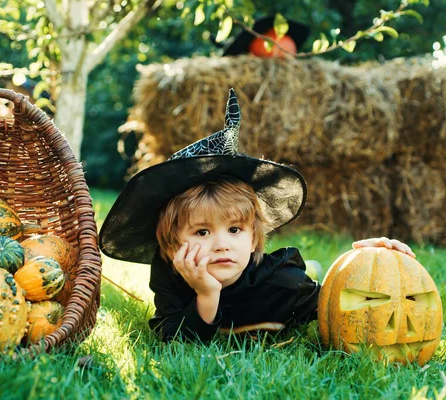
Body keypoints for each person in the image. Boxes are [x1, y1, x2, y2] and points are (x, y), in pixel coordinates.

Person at [99, 89, 415, 342]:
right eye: (202, 233)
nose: (222, 244)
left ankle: (315, 267)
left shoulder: (282, 285)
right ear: (171, 247)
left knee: (312, 279)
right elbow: (173, 337)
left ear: (253, 238)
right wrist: (207, 293)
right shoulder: (172, 274)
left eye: (234, 229)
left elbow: (340, 301)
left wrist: (373, 261)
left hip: (267, 275)